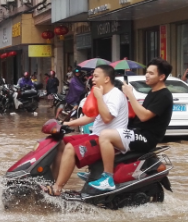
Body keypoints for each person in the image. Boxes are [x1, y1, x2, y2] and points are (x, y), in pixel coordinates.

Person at [48, 64, 129, 195]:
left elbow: (107, 118)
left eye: (96, 76)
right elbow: (90, 117)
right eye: (93, 76)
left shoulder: (115, 95)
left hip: (109, 141)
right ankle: (52, 182)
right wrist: (64, 123)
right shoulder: (102, 94)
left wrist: (99, 97)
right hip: (96, 135)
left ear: (106, 79)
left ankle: (57, 188)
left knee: (70, 148)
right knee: (61, 142)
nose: (92, 79)